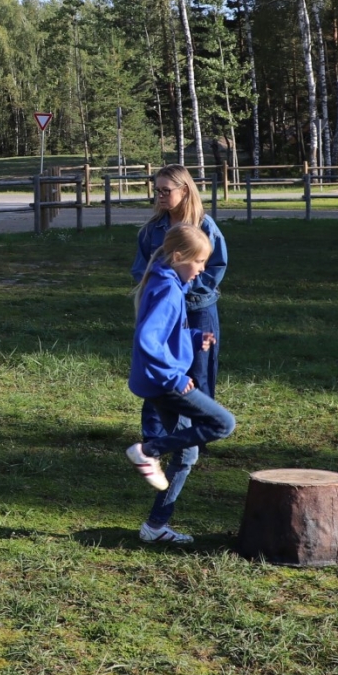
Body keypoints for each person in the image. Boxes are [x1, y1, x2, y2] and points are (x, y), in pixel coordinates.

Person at [125, 224, 237, 544]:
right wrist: (174, 376)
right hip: (166, 384)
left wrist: (192, 337)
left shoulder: (167, 281)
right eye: (199, 262)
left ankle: (155, 527)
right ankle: (148, 451)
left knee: (187, 455)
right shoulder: (168, 290)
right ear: (178, 256)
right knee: (223, 423)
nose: (202, 270)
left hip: (160, 380)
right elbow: (148, 338)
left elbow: (166, 333)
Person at [130, 164, 227, 398]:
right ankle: (160, 431)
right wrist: (161, 292)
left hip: (198, 309)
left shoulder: (204, 227)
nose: (160, 196)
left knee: (199, 372)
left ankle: (202, 428)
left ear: (184, 190)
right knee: (162, 369)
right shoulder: (152, 230)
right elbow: (140, 270)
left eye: (166, 191)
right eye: (157, 191)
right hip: (164, 310)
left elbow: (215, 267)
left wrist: (182, 288)